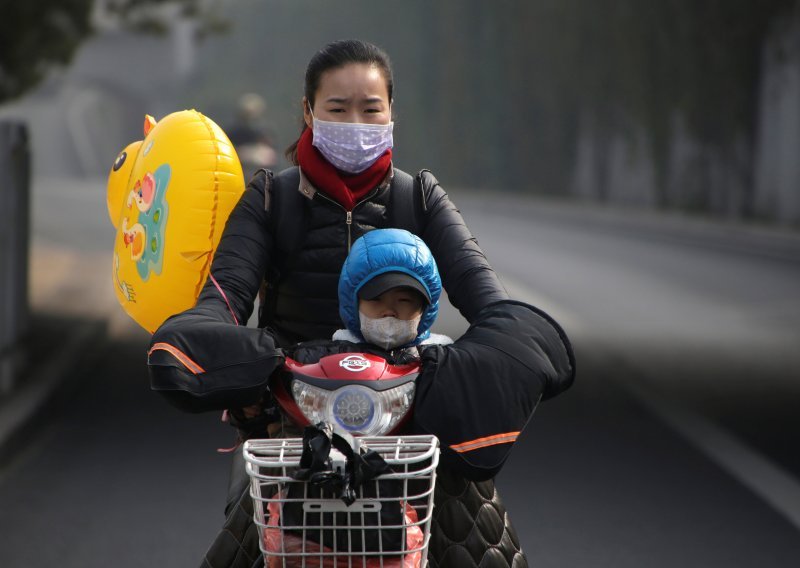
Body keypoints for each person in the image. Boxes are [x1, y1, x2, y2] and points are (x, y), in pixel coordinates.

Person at [147, 39, 575, 568]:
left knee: (484, 538)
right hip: (288, 428)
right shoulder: (268, 199)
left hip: (409, 427)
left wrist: (490, 355)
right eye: (337, 108)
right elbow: (223, 299)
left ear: (391, 113)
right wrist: (225, 348)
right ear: (308, 112)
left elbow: (487, 299)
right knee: (247, 535)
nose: (356, 121)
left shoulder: (418, 197)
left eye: (370, 109)